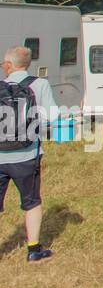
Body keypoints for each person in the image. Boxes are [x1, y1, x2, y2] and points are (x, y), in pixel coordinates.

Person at [0, 46, 56, 262]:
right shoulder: (39, 84)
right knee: (31, 202)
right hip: (27, 154)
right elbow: (52, 116)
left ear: (8, 65)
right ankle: (34, 250)